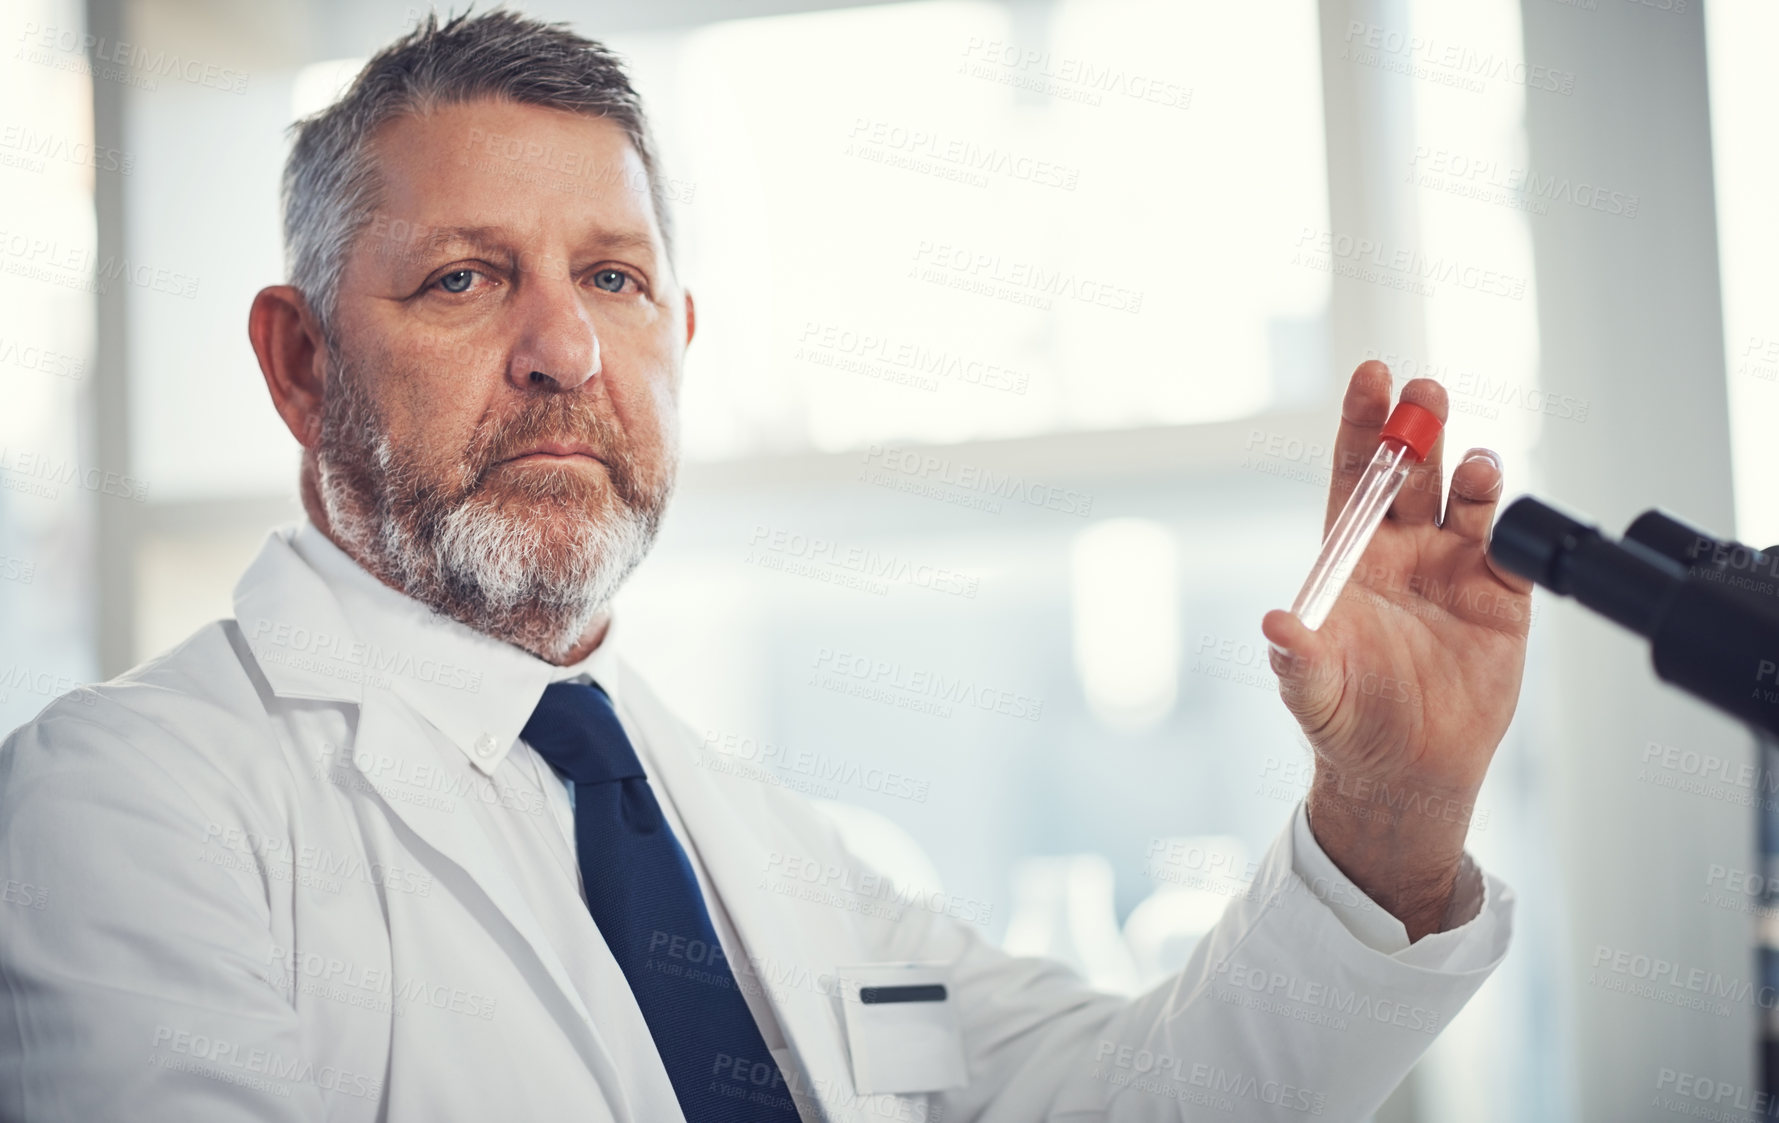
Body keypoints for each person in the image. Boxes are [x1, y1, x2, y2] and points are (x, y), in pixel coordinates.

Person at [0, 11, 1530, 1121]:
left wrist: (1384, 825)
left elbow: (1126, 1099)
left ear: (682, 340)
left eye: (614, 276)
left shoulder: (754, 832)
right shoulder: (123, 807)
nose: (565, 350)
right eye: (465, 279)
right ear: (300, 364)